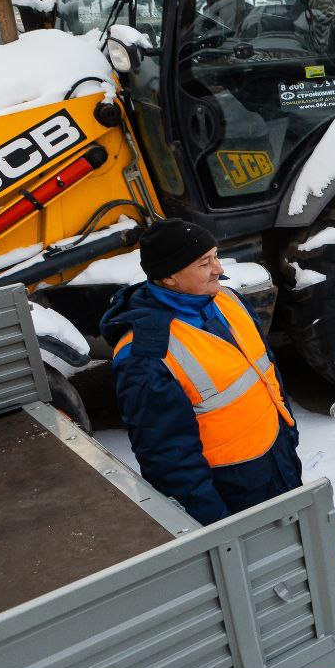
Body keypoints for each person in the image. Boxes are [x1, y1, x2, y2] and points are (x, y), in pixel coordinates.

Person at [100, 218, 301, 525]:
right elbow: (169, 459)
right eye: (204, 262)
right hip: (232, 494)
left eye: (216, 256)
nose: (219, 269)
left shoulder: (228, 300)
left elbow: (266, 368)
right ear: (168, 277)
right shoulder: (145, 355)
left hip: (279, 462)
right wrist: (215, 526)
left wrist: (288, 432)